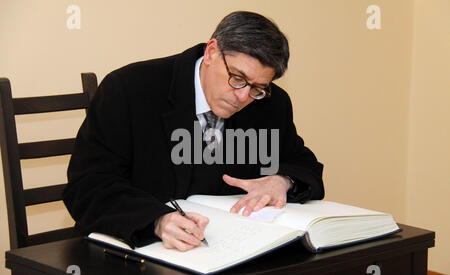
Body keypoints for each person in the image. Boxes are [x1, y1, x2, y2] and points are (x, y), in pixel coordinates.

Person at [63, 11, 325, 252]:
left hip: (226, 254)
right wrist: (156, 221)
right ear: (212, 52)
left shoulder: (270, 103)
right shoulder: (128, 89)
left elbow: (304, 164)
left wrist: (282, 180)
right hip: (130, 252)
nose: (243, 96)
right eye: (237, 78)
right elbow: (88, 186)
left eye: (257, 87)